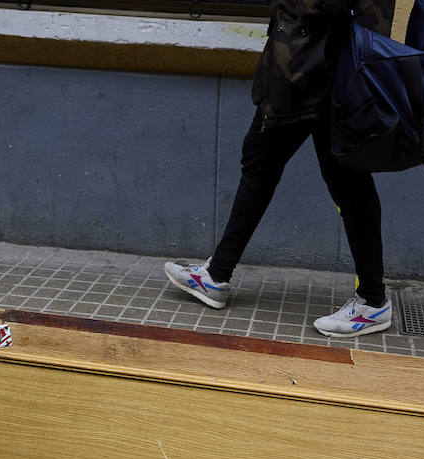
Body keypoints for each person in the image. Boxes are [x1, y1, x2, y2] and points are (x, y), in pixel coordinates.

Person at [165, 0, 395, 339]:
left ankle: (373, 302)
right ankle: (216, 275)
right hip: (308, 69)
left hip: (321, 73)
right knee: (264, 163)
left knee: (348, 184)